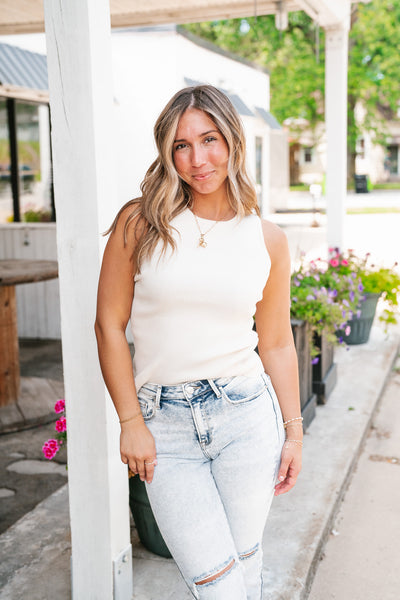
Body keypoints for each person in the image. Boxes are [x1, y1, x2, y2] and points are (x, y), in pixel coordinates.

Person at [95, 84, 302, 599]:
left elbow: (275, 343)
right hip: (163, 427)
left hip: (246, 417)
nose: (197, 159)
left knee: (245, 570)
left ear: (233, 140)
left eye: (209, 139)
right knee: (217, 585)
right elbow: (107, 325)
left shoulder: (267, 239)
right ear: (167, 152)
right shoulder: (140, 223)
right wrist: (130, 422)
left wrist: (294, 433)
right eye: (181, 145)